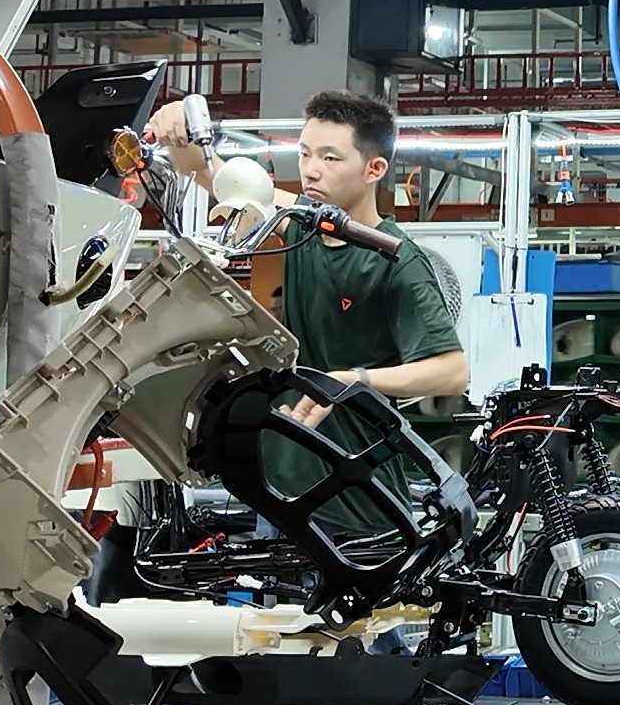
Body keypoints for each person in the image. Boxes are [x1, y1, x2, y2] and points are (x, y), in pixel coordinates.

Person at [146, 88, 467, 526]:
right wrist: (178, 121)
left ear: (374, 169)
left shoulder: (397, 261)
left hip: (358, 501)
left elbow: (451, 370)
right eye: (304, 153)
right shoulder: (301, 222)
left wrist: (352, 381)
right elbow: (215, 175)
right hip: (280, 483)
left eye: (331, 158)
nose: (312, 170)